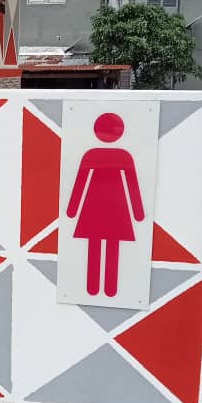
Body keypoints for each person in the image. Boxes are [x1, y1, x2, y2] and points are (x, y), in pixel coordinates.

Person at [66, 112, 144, 298]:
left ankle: (93, 288)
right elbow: (132, 185)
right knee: (112, 247)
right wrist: (138, 212)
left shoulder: (91, 154)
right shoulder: (124, 155)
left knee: (94, 245)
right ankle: (110, 289)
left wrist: (72, 210)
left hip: (93, 207)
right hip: (117, 208)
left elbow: (80, 183)